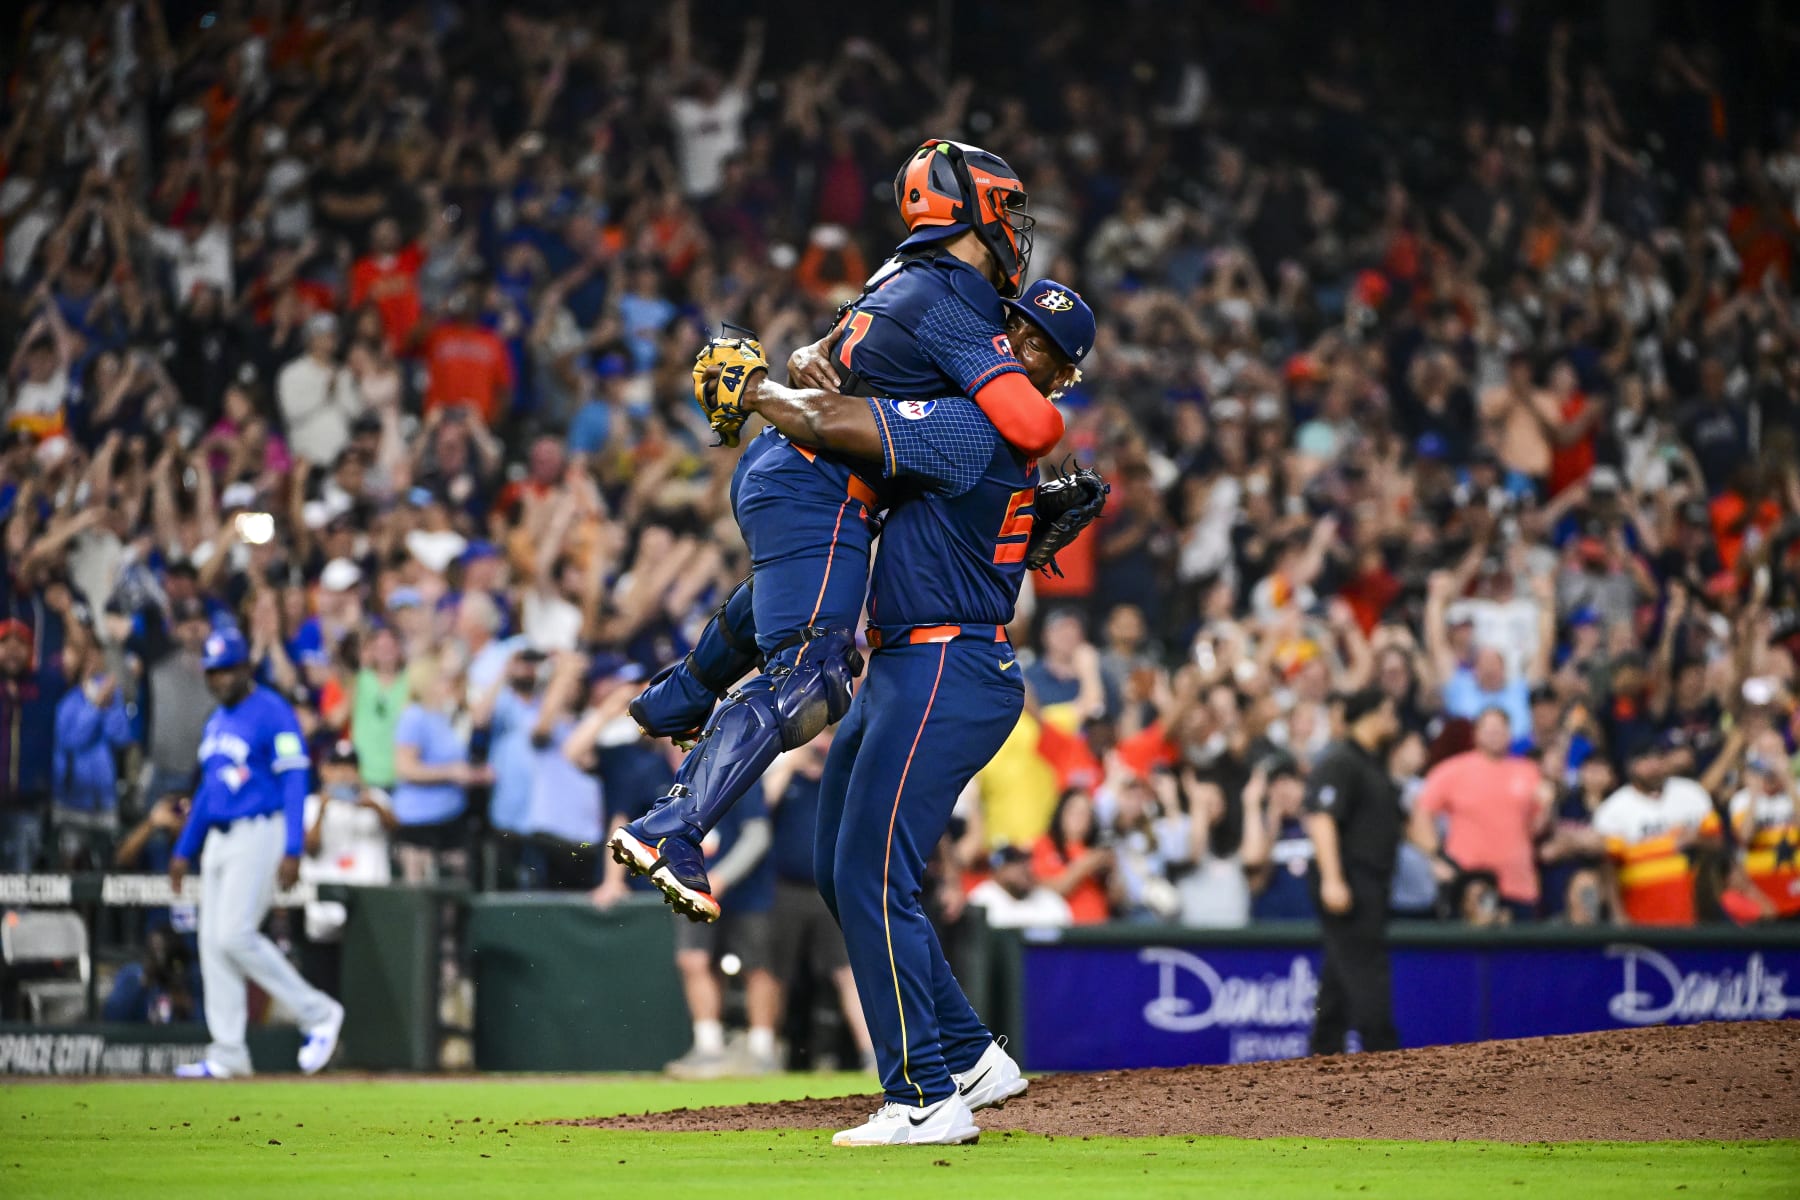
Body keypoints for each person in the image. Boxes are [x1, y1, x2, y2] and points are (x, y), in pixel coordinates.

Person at [611, 140, 1064, 921]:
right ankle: (673, 829)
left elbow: (825, 358)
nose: (1017, 230)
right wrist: (763, 387)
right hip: (818, 486)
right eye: (1009, 210)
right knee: (814, 673)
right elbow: (1034, 424)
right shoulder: (953, 298)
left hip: (800, 479)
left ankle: (681, 697)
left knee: (790, 605)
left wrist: (787, 366)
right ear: (976, 212)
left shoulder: (900, 277)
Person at [723, 283, 1094, 1144]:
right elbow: (869, 410)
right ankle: (969, 1054)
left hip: (945, 661)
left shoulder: (977, 426)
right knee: (837, 866)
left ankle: (925, 1094)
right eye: (1014, 323)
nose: (1015, 340)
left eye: (1039, 344)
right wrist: (824, 367)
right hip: (913, 660)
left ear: (1062, 375)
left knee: (871, 876)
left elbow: (838, 428)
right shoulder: (970, 415)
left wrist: (762, 392)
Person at [168, 627, 344, 1078]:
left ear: (246, 668)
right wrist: (184, 848)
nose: (219, 679)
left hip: (260, 831)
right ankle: (228, 1051)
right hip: (220, 840)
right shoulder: (217, 721)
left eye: (227, 669)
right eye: (213, 672)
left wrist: (292, 847)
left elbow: (293, 778)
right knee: (212, 944)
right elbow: (207, 793)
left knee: (234, 934)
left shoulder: (271, 710)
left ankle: (318, 1013)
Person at [760, 735, 876, 1072]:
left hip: (833, 891)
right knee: (774, 972)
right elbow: (761, 805)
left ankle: (871, 1054)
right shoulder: (788, 777)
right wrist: (789, 764)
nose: (819, 747)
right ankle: (766, 1050)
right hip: (786, 889)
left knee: (848, 972)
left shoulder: (839, 780)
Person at [1303, 686, 1404, 1055]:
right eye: (1390, 711)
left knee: (1339, 980)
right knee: (1367, 974)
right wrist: (1333, 879)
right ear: (1373, 714)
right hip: (1350, 879)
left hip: (1368, 882)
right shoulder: (1341, 760)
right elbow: (1322, 818)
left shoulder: (1372, 763)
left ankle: (1322, 1057)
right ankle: (1385, 1057)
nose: (1395, 720)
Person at [663, 770, 779, 1079]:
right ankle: (709, 1048)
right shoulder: (672, 777)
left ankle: (762, 1050)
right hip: (692, 887)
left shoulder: (740, 772)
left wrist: (721, 878)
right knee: (693, 959)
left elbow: (758, 835)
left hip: (747, 891)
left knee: (758, 966)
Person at [1409, 707, 1551, 921]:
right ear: (1476, 733)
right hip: (1470, 885)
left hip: (1518, 884)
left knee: (1520, 951)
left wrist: (1548, 805)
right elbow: (1421, 813)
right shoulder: (1453, 770)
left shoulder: (1528, 771)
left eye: (1500, 728)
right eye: (1489, 728)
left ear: (1509, 732)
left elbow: (1536, 829)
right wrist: (1436, 856)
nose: (1495, 733)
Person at [299, 738, 395, 997]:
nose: (344, 773)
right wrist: (323, 809)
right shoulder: (310, 804)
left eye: (350, 767)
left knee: (367, 987)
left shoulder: (375, 798)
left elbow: (397, 829)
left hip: (368, 908)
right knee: (326, 984)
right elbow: (309, 846)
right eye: (337, 766)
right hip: (325, 915)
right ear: (324, 770)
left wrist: (371, 805)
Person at [969, 843, 1074, 929]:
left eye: (1024, 862)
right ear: (997, 872)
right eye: (1014, 863)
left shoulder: (1049, 899)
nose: (1023, 868)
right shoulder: (981, 898)